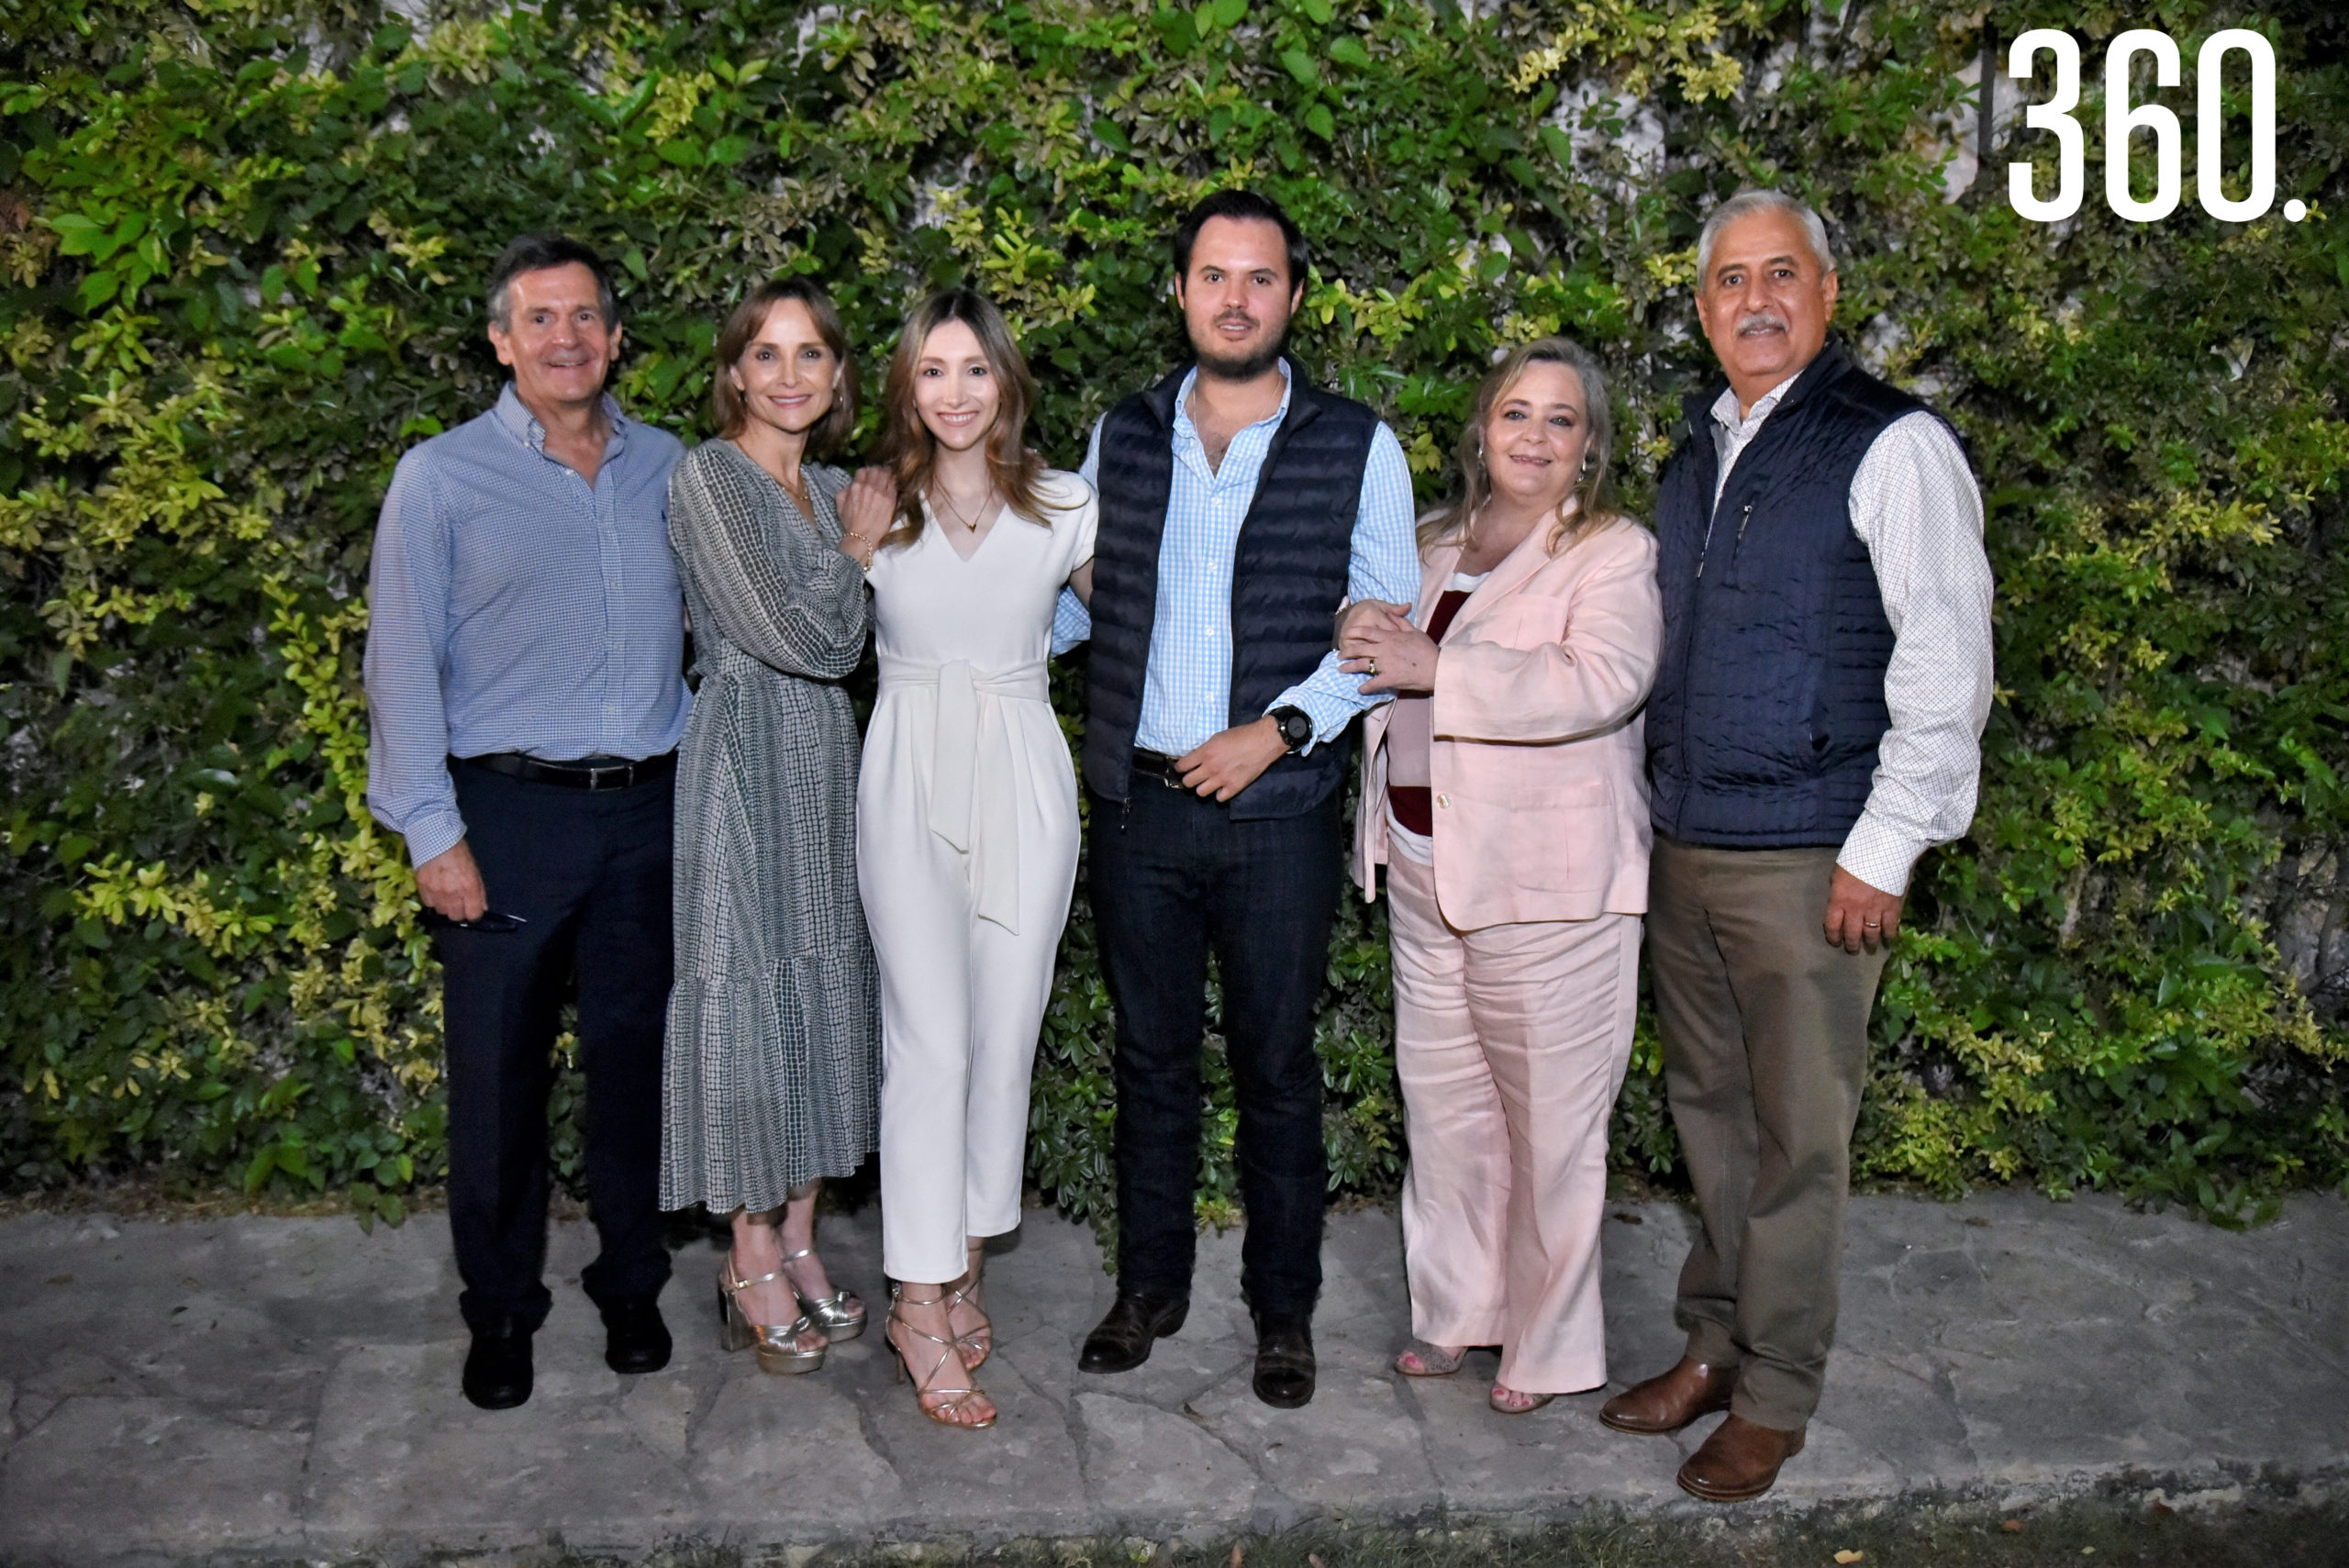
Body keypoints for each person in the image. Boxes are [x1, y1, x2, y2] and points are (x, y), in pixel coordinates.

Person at [1600, 189, 1994, 1500]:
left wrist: (1887, 844)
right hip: (1691, 841)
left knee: (1798, 1136)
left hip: (1812, 855)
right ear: (1701, 306)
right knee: (1709, 1121)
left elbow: (1946, 659)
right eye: (1727, 279)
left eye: (1781, 274)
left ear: (1828, 293)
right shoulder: (1699, 452)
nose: (1753, 299)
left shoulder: (1890, 444)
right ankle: (1715, 1344)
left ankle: (1776, 1392)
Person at [1063, 189, 1419, 1409]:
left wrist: (1276, 732)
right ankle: (1149, 1288)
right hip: (1140, 803)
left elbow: (1382, 624)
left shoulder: (1357, 443)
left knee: (1275, 1065)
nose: (1235, 299)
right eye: (1214, 276)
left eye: (1259, 278)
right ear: (1181, 292)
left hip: (1275, 811)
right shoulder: (1122, 433)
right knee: (1151, 1059)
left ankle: (1284, 1312)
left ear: (1294, 297)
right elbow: (1075, 596)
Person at [364, 235, 685, 1409]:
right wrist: (431, 833)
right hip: (502, 816)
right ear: (501, 341)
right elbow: (397, 660)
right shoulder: (441, 477)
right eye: (539, 319)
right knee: (495, 1083)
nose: (567, 338)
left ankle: (633, 1284)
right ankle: (500, 1309)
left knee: (634, 1066)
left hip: (646, 811)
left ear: (615, 335)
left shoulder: (670, 468)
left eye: (586, 316)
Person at [1337, 338, 1660, 1416]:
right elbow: (1372, 655)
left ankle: (1551, 1345)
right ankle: (1456, 1312)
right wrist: (1359, 626)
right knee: (1447, 1114)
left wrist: (1441, 666)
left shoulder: (1611, 551)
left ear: (1590, 445)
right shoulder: (1433, 543)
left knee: (1553, 1129)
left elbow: (1602, 679)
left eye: (1559, 419)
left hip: (1552, 886)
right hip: (1427, 867)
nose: (1533, 436)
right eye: (1515, 412)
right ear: (1482, 428)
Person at [856, 288, 1098, 1429]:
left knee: (1003, 1038)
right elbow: (811, 626)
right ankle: (914, 1296)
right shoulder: (869, 503)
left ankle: (960, 1261)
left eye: (974, 370)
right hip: (904, 768)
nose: (953, 392)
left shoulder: (1065, 504)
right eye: (931, 370)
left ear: (1007, 382)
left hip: (1022, 771)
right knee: (930, 1038)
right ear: (907, 385)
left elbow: (1148, 619)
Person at [659, 277, 891, 1378]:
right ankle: (744, 1251)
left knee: (821, 989)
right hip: (745, 761)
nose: (789, 375)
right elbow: (815, 636)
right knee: (750, 992)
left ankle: (800, 1235)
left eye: (811, 355)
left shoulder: (841, 483)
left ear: (838, 376)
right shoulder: (709, 478)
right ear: (734, 372)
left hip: (830, 767)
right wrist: (855, 555)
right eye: (767, 354)